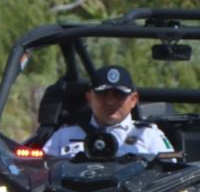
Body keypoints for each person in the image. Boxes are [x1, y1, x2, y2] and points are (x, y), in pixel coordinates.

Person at [42, 65, 172, 158]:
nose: (110, 102)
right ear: (89, 98)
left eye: (118, 95)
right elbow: (39, 175)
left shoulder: (149, 137)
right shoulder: (63, 137)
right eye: (102, 94)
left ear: (133, 99)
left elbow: (171, 183)